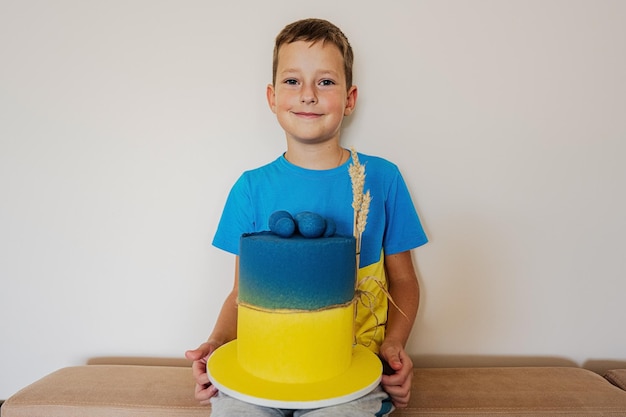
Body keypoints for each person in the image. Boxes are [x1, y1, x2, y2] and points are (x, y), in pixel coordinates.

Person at [185, 18, 428, 416]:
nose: (309, 96)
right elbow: (240, 293)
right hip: (266, 364)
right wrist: (216, 343)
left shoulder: (382, 179)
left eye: (326, 82)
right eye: (293, 81)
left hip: (350, 369)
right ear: (272, 96)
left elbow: (403, 281)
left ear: (350, 99)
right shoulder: (251, 188)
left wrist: (393, 347)